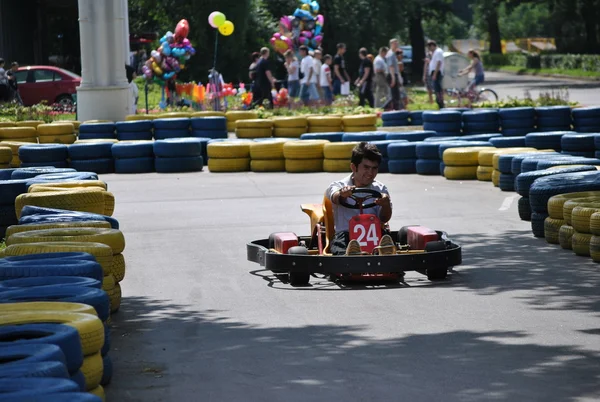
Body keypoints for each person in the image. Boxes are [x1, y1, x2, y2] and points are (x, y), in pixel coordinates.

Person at [326, 142, 395, 256]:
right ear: (354, 167)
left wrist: (386, 205)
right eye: (366, 167)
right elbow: (334, 197)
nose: (370, 173)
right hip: (346, 235)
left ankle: (384, 255)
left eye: (374, 168)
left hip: (375, 233)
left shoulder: (380, 188)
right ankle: (352, 256)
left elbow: (384, 218)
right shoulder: (338, 185)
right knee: (340, 246)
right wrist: (342, 195)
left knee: (386, 240)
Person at [427, 40, 445, 109]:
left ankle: (441, 104)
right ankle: (439, 104)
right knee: (436, 89)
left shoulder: (438, 52)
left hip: (437, 73)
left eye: (429, 47)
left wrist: (435, 74)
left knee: (438, 89)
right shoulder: (435, 52)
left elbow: (438, 63)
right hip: (435, 72)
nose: (429, 49)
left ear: (432, 46)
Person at [386, 39, 401, 110]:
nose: (396, 45)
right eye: (395, 43)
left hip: (394, 74)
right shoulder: (390, 54)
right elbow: (391, 66)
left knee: (396, 94)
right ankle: (394, 109)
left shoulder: (393, 53)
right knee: (394, 94)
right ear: (391, 44)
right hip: (392, 75)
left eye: (397, 43)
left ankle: (396, 108)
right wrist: (393, 78)